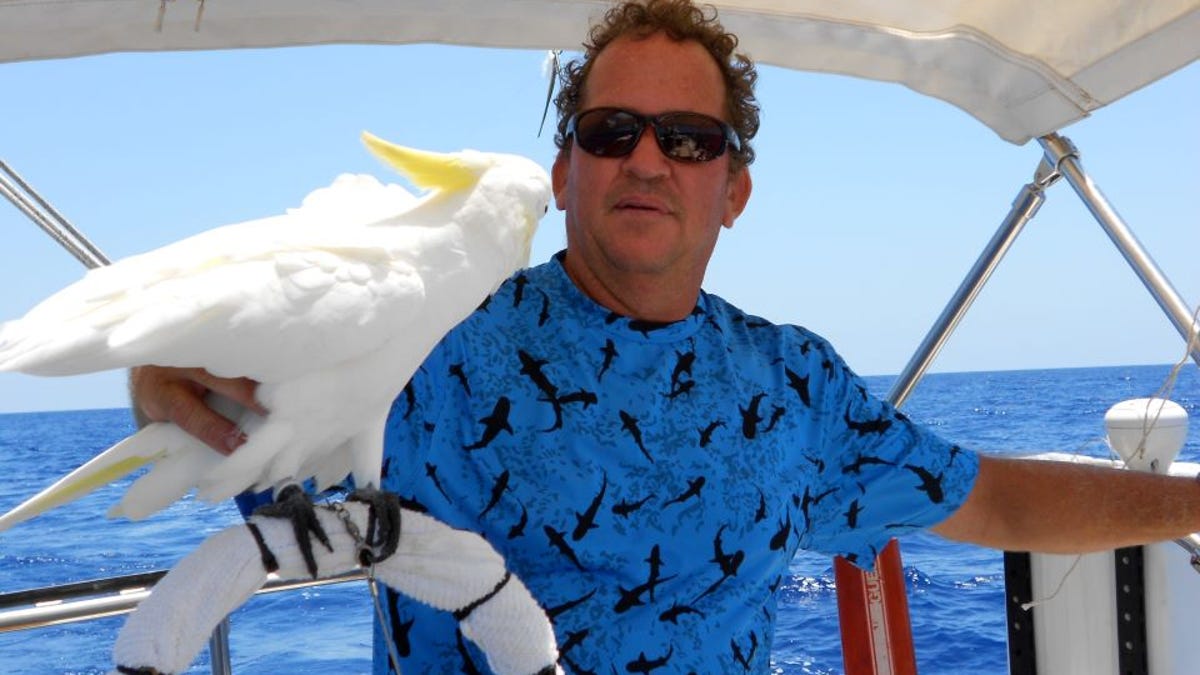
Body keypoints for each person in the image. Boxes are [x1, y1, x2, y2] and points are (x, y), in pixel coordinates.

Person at [130, 1, 1200, 672]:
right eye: (612, 131)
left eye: (688, 139)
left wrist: (1193, 504)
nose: (647, 159)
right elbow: (225, 408)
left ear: (733, 190)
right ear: (563, 174)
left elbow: (994, 498)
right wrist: (162, 373)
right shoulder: (426, 351)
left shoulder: (792, 385)